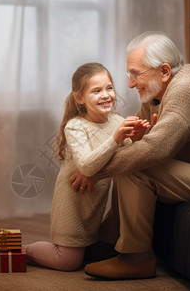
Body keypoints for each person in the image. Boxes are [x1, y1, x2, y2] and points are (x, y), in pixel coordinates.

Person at [69, 31, 190, 279]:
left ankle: (136, 258)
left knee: (137, 165)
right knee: (131, 157)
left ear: (164, 71)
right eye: (129, 74)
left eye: (135, 74)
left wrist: (94, 171)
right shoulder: (156, 90)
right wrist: (134, 139)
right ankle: (109, 243)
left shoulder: (187, 89)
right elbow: (137, 137)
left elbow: (153, 150)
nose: (130, 84)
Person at [26, 62, 150, 271]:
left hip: (95, 205)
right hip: (73, 204)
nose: (106, 95)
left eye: (109, 88)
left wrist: (137, 139)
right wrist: (117, 138)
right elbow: (87, 167)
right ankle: (24, 250)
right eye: (96, 91)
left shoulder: (117, 121)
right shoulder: (75, 127)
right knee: (68, 262)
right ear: (79, 98)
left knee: (103, 251)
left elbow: (128, 159)